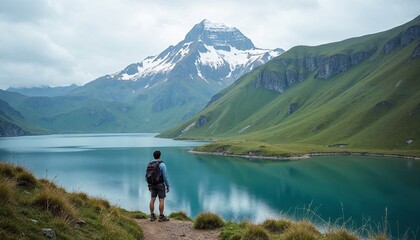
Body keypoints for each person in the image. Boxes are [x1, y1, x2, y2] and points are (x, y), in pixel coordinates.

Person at [147, 150, 170, 222]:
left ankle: (152, 216)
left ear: (153, 156)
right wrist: (168, 186)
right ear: (160, 156)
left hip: (152, 184)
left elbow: (148, 176)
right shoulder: (162, 164)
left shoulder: (150, 164)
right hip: (160, 184)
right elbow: (165, 177)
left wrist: (149, 185)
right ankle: (161, 216)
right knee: (161, 199)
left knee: (152, 199)